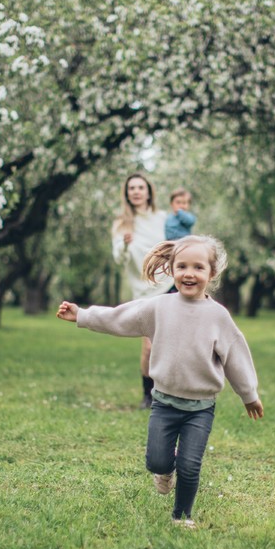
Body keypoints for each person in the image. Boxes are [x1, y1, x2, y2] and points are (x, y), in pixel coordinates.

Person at [57, 235, 264, 528]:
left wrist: (249, 394)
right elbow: (119, 317)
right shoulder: (159, 307)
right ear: (171, 269)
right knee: (157, 461)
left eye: (198, 267)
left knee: (190, 466)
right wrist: (82, 315)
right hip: (164, 404)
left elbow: (236, 357)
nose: (189, 273)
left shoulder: (218, 316)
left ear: (211, 273)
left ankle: (182, 516)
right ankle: (164, 470)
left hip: (200, 408)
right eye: (182, 266)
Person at [111, 173, 172, 408]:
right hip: (144, 290)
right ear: (127, 193)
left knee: (170, 343)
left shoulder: (162, 218)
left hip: (169, 285)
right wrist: (125, 244)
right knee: (149, 345)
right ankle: (148, 395)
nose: (136, 191)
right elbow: (118, 257)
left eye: (140, 187)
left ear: (148, 192)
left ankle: (169, 393)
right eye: (132, 188)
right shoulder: (122, 223)